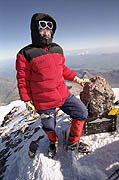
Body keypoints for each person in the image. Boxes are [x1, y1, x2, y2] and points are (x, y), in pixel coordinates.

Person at [16, 13, 90, 158]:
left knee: (81, 112)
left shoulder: (57, 49)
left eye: (49, 29)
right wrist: (27, 100)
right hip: (43, 100)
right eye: (42, 28)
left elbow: (62, 69)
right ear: (35, 30)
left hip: (62, 94)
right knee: (49, 126)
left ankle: (73, 142)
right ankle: (53, 141)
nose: (46, 32)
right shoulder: (25, 54)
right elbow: (22, 79)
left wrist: (77, 79)